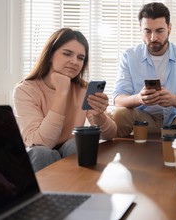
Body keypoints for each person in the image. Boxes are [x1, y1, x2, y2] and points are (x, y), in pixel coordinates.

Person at [13, 28, 117, 172]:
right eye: (67, 54)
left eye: (80, 58)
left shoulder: (82, 89)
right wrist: (61, 93)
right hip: (39, 154)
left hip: (69, 151)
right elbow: (41, 143)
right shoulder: (25, 90)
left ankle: (77, 191)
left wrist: (99, 115)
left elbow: (110, 134)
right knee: (41, 153)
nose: (74, 62)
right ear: (50, 56)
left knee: (76, 145)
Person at [111, 2, 176, 138]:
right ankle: (125, 159)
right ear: (140, 30)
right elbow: (118, 99)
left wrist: (173, 99)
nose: (153, 38)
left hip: (175, 118)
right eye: (147, 31)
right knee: (119, 114)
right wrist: (139, 98)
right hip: (143, 119)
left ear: (169, 28)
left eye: (159, 31)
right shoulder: (129, 56)